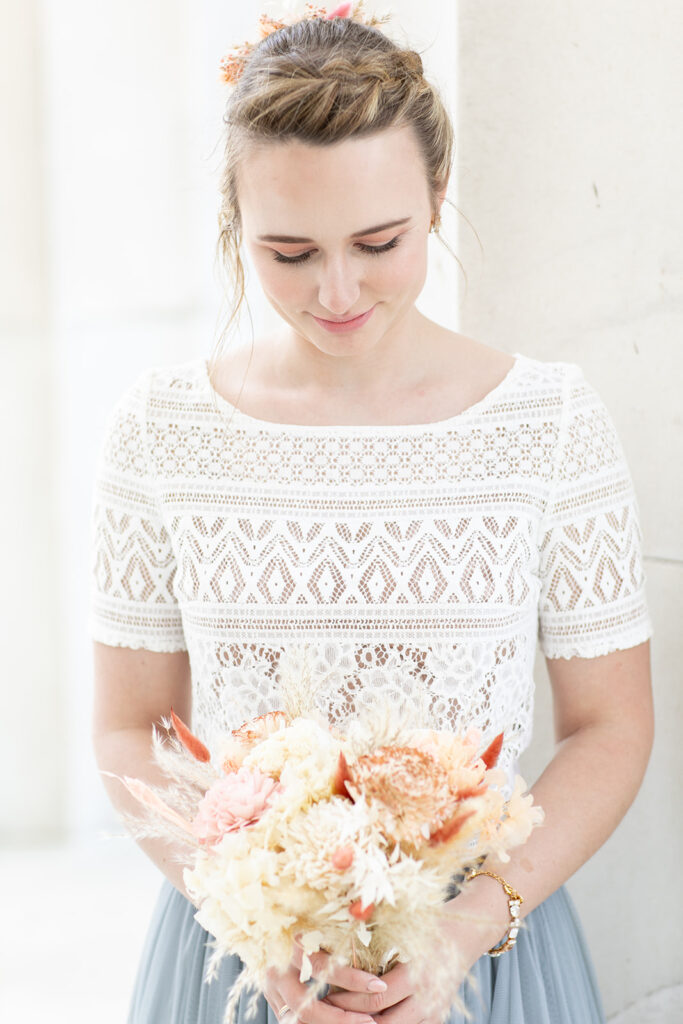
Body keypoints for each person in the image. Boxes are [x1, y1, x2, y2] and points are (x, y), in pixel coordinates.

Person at [89, 5, 654, 1023]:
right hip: (239, 962)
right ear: (235, 223)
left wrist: (463, 930)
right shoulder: (158, 431)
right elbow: (129, 725)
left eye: (377, 241)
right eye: (289, 252)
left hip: (483, 954)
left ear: (436, 197)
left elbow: (609, 726)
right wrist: (252, 921)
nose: (337, 289)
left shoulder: (550, 423)